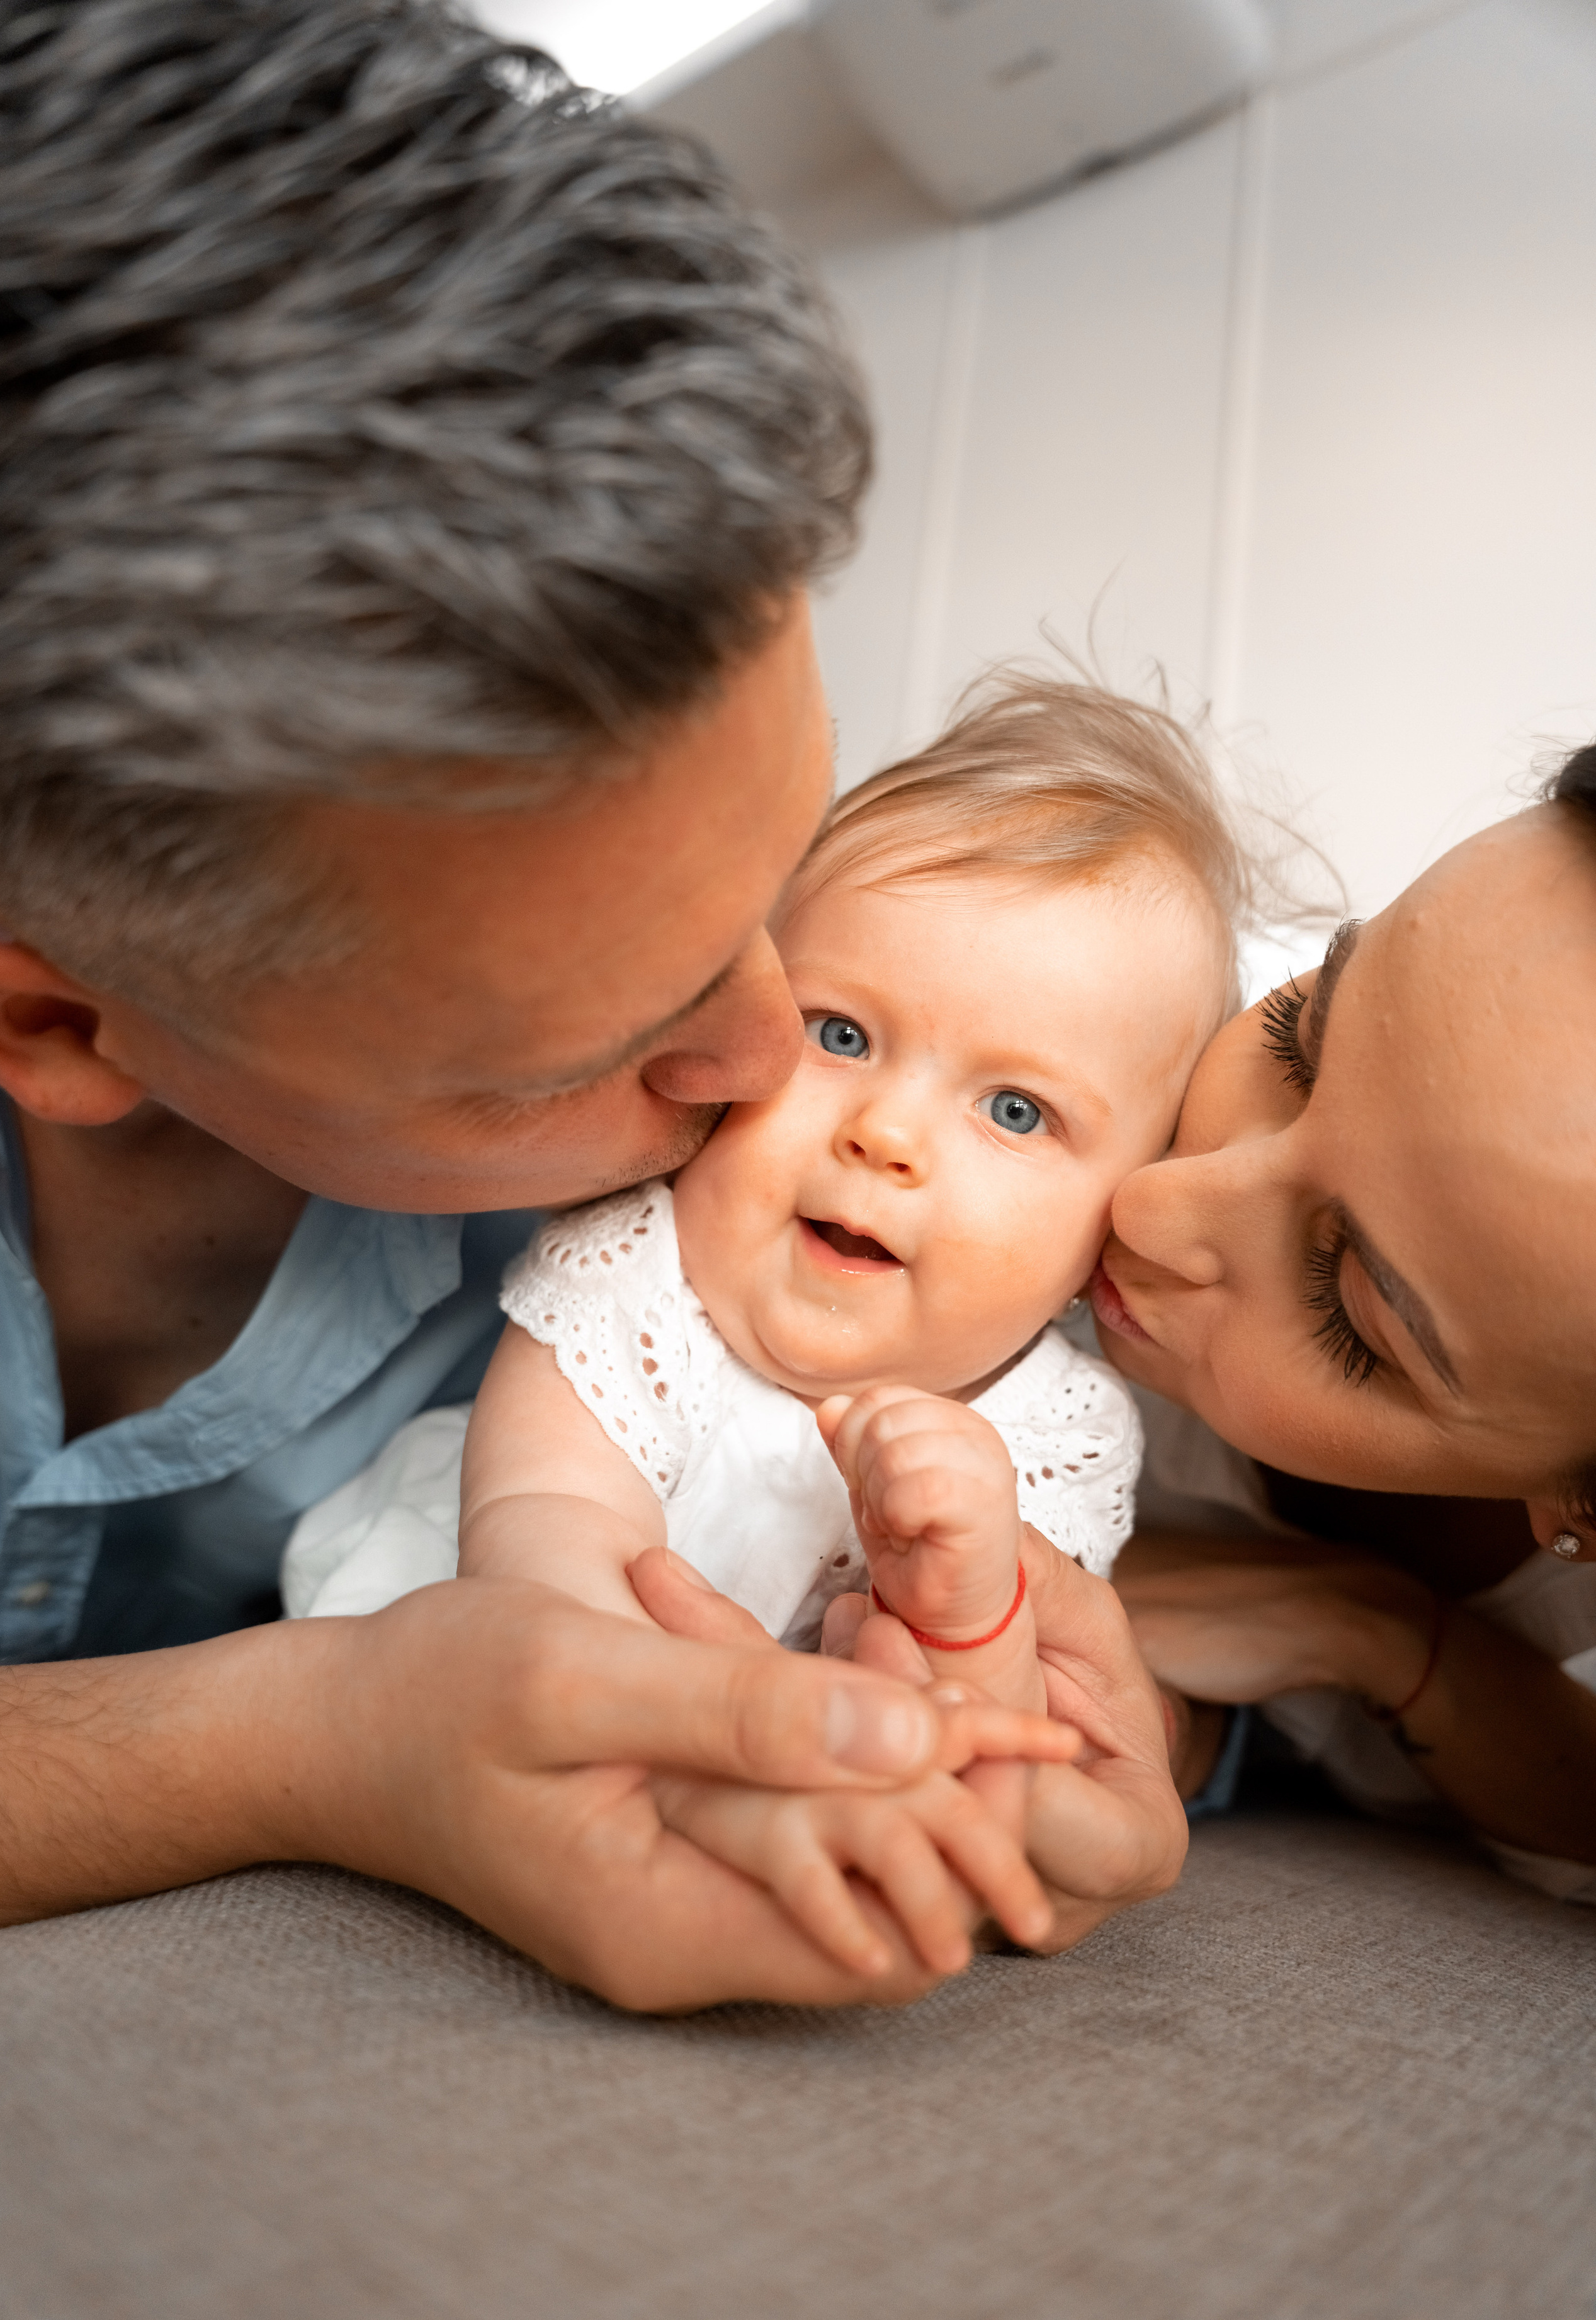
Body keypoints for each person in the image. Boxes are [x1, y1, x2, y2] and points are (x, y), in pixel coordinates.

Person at [0, 0, 1185, 2006]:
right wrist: (315, 1735)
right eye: (586, 1042)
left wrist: (1122, 1688)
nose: (764, 1066)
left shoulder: (727, 1243)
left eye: (775, 899)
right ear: (62, 1030)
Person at [281, 670, 1241, 1979]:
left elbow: (1004, 1728)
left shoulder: (1054, 1431)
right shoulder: (637, 1275)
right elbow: (543, 1533)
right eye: (838, 1029)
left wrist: (967, 1619)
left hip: (803, 1743)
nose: (885, 1133)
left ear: (1106, 1232)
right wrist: (661, 1749)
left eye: (1014, 1110)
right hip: (474, 1653)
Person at [1088, 750, 1596, 1889]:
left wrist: (1358, 1624)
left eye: (1352, 1306)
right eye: (1295, 1040)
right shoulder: (1128, 974)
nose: (1148, 1205)